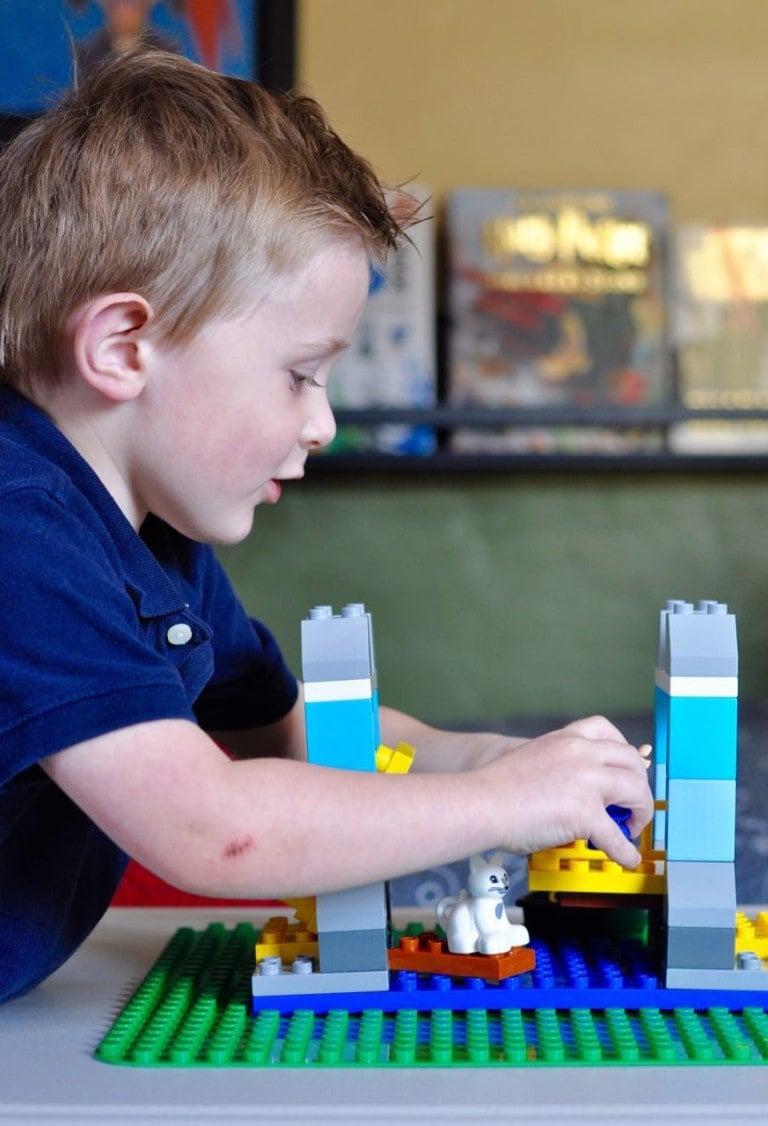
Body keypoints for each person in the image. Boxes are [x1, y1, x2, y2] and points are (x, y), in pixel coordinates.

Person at [0, 50, 653, 1003]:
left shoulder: (148, 536)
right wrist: (498, 803)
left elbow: (295, 732)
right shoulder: (20, 531)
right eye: (301, 374)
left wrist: (491, 759)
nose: (323, 422)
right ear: (123, 347)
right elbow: (213, 827)